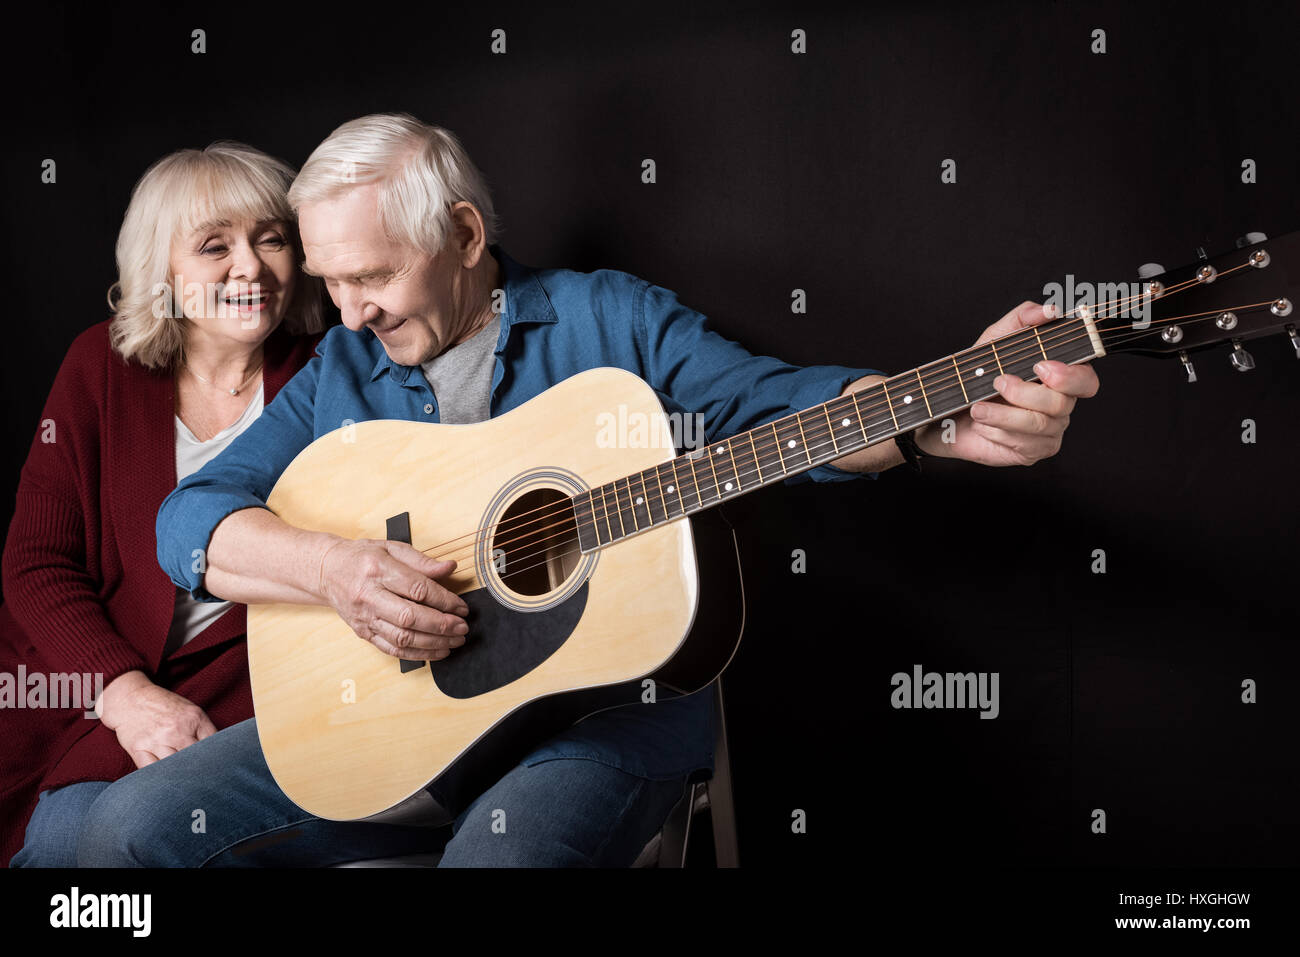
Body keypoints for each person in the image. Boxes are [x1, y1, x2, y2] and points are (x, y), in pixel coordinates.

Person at [80, 113, 1099, 867]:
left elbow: (769, 406)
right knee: (125, 832)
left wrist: (925, 416)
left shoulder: (608, 321)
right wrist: (334, 570)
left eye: (372, 278)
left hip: (595, 727)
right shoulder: (343, 376)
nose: (344, 314)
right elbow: (189, 521)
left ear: (466, 237)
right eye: (330, 281)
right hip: (390, 727)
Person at [1, 142, 330, 866]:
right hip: (91, 686)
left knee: (95, 836)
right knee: (55, 839)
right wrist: (122, 693)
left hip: (251, 700)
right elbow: (36, 563)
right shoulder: (99, 366)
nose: (251, 265)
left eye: (271, 238)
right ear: (164, 271)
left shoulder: (329, 370)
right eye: (216, 245)